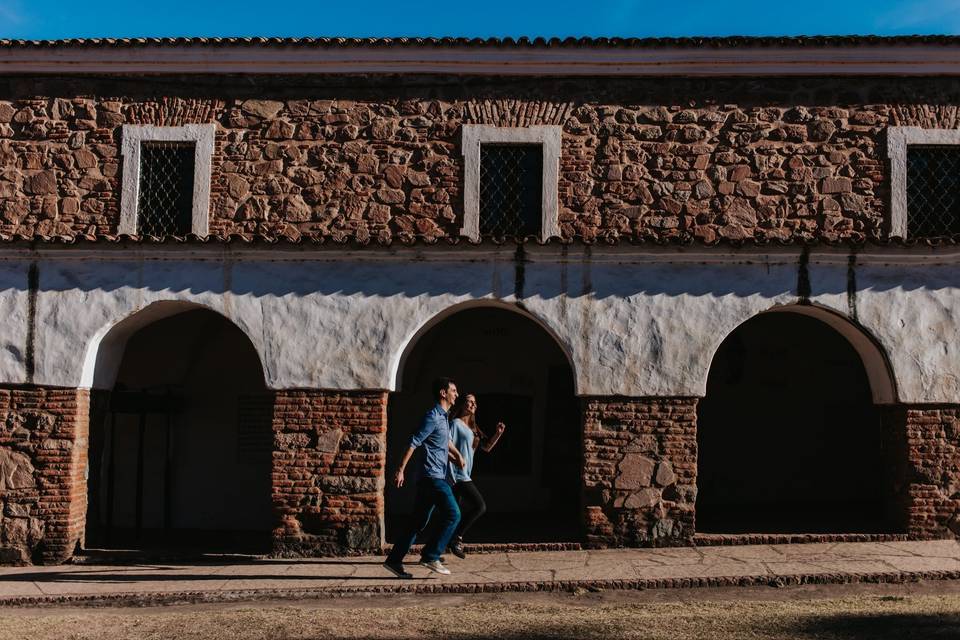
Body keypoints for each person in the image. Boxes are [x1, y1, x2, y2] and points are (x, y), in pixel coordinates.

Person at [383, 377, 467, 579]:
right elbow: (414, 442)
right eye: (453, 390)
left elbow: (444, 442)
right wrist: (400, 469)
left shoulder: (443, 418)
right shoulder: (432, 416)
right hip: (432, 477)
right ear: (443, 393)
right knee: (453, 514)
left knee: (417, 521)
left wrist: (457, 455)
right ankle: (430, 555)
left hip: (434, 476)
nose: (456, 394)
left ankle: (394, 560)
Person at [447, 393, 506, 559]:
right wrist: (457, 459)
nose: (472, 404)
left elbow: (486, 448)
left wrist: (498, 434)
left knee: (452, 514)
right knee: (479, 506)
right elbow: (446, 445)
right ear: (462, 404)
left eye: (474, 402)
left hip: (464, 473)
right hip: (458, 474)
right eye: (469, 401)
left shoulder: (473, 428)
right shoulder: (455, 424)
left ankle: (435, 549)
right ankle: (456, 539)